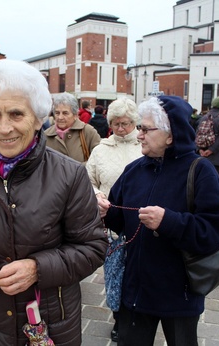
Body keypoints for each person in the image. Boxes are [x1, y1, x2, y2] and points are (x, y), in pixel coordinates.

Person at [0, 59, 108, 345]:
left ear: (38, 117)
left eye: (16, 114)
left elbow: (93, 247)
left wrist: (37, 268)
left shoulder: (70, 174)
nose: (4, 128)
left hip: (49, 324)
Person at [99, 96, 219, 346]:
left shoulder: (200, 170)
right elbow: (121, 221)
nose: (139, 135)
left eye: (146, 129)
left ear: (171, 135)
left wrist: (168, 221)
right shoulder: (135, 170)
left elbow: (213, 233)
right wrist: (105, 211)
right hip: (137, 290)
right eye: (140, 128)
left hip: (180, 295)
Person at [85, 97, 142, 343]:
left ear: (135, 123)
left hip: (141, 221)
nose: (121, 128)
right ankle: (119, 317)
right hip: (111, 222)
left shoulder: (144, 146)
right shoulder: (101, 149)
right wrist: (97, 196)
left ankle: (137, 315)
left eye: (126, 123)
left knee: (138, 272)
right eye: (116, 123)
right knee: (115, 272)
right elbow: (88, 180)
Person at [44, 92, 101, 164]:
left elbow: (99, 159)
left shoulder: (88, 132)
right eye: (57, 113)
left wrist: (78, 170)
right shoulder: (45, 136)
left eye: (65, 113)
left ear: (75, 115)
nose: (60, 117)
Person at [196, 96, 219, 192]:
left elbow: (198, 134)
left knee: (205, 186)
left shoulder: (204, 117)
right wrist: (211, 150)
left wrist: (200, 149)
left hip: (203, 156)